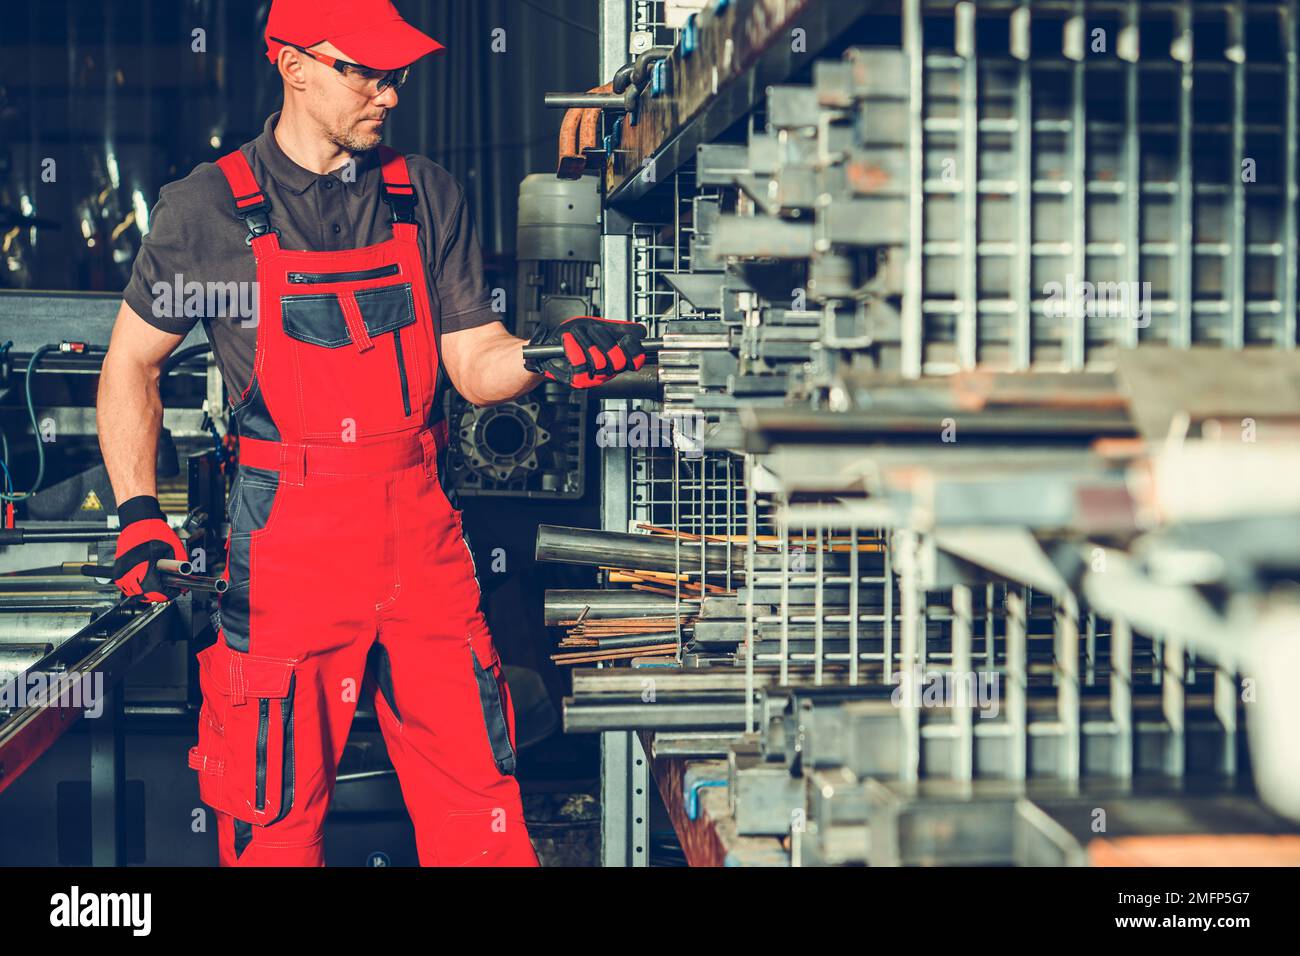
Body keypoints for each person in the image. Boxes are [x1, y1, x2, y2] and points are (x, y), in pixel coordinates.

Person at [96, 0, 645, 866]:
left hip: (421, 536)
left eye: (398, 74)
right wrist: (136, 512)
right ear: (294, 64)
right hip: (286, 551)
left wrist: (550, 352)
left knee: (482, 813)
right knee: (272, 823)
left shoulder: (424, 193)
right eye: (367, 72)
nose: (390, 93)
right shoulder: (205, 210)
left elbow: (475, 363)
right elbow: (131, 364)